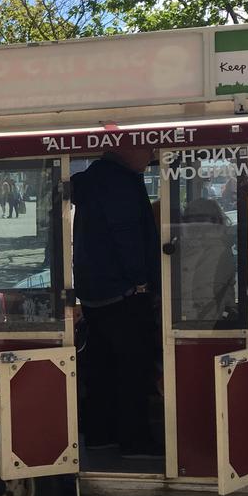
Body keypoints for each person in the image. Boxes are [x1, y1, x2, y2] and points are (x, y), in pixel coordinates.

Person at [71, 148, 162, 458]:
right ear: (126, 148)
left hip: (97, 294)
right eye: (148, 146)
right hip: (124, 293)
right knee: (134, 368)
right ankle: (135, 440)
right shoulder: (120, 183)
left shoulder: (94, 181)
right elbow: (128, 236)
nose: (153, 153)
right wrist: (141, 281)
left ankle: (100, 434)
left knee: (102, 369)